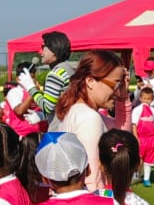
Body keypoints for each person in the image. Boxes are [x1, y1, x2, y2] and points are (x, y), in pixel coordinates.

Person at [50, 50, 125, 192]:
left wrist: (123, 99)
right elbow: (91, 179)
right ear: (90, 81)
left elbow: (122, 133)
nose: (118, 91)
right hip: (90, 198)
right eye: (115, 85)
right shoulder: (89, 118)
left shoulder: (78, 110)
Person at [18, 30, 78, 124]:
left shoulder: (55, 74)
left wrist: (31, 88)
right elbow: (59, 106)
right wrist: (42, 116)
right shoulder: (68, 69)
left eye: (43, 47)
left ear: (53, 50)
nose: (40, 52)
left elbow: (47, 107)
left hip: (59, 129)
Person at [131, 85, 154, 185]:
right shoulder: (137, 110)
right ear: (140, 98)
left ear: (152, 99)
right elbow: (134, 125)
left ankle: (146, 179)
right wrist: (136, 137)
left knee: (149, 159)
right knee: (139, 158)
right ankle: (135, 175)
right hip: (141, 138)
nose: (146, 101)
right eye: (144, 98)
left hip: (151, 139)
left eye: (149, 99)